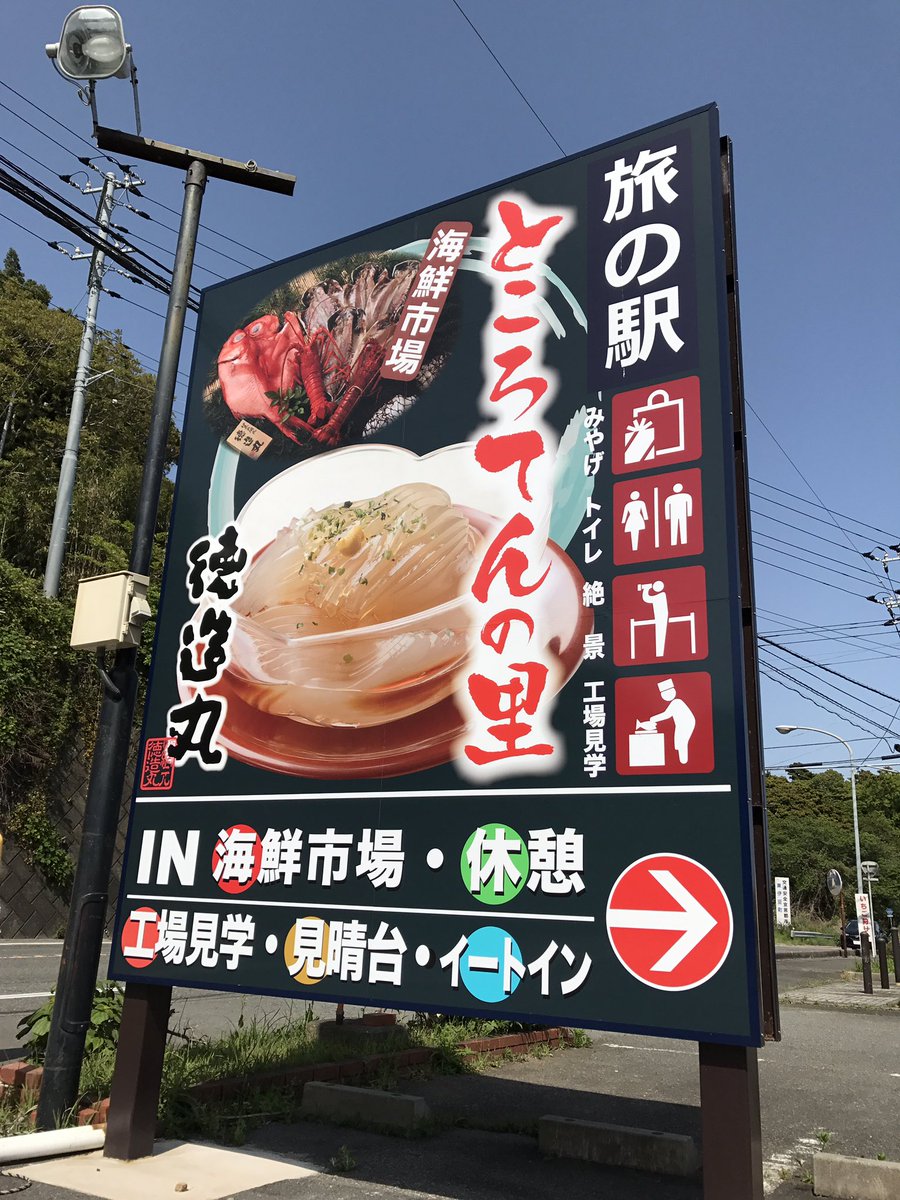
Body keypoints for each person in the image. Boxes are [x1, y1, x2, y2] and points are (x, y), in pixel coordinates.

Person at [638, 678, 696, 765]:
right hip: (681, 724)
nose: (666, 695)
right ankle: (683, 761)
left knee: (681, 741)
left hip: (686, 724)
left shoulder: (677, 702)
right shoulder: (675, 702)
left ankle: (684, 761)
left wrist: (653, 718)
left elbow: (666, 714)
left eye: (668, 692)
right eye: (664, 694)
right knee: (679, 741)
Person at [664, 482, 692, 546]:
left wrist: (689, 513)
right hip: (673, 515)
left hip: (682, 514)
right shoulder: (669, 498)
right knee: (673, 528)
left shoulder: (686, 496)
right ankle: (673, 542)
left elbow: (689, 504)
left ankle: (683, 541)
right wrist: (667, 516)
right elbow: (666, 507)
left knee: (683, 527)